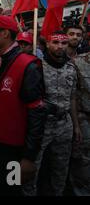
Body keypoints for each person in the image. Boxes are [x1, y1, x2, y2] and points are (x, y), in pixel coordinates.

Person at [0, 16, 46, 196]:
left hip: (14, 150)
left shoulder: (27, 65)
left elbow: (36, 112)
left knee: (8, 190)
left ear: (5, 33)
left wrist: (29, 157)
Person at [23, 31, 80, 196]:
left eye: (63, 43)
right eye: (55, 42)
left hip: (64, 125)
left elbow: (73, 98)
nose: (59, 46)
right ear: (47, 44)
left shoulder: (71, 67)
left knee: (61, 169)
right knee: (31, 168)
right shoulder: (36, 65)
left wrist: (76, 125)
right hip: (40, 126)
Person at [68, 51, 90, 195]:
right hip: (84, 119)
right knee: (82, 160)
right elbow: (72, 97)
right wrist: (76, 125)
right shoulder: (78, 62)